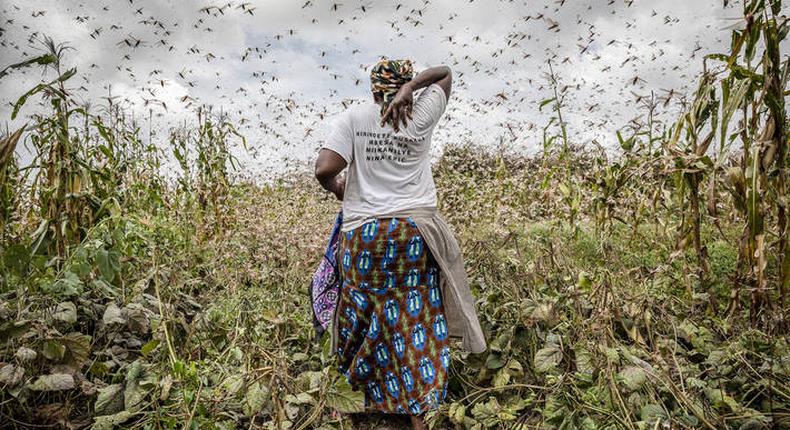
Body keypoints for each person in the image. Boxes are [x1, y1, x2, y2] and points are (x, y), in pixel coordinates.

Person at [314, 58, 486, 429]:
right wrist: (414, 89)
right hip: (413, 235)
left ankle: (354, 399)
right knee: (414, 318)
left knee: (361, 313)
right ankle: (417, 412)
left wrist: (341, 189)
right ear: (405, 85)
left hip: (365, 239)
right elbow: (444, 72)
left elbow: (324, 169)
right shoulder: (420, 115)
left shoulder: (354, 119)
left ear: (375, 89)